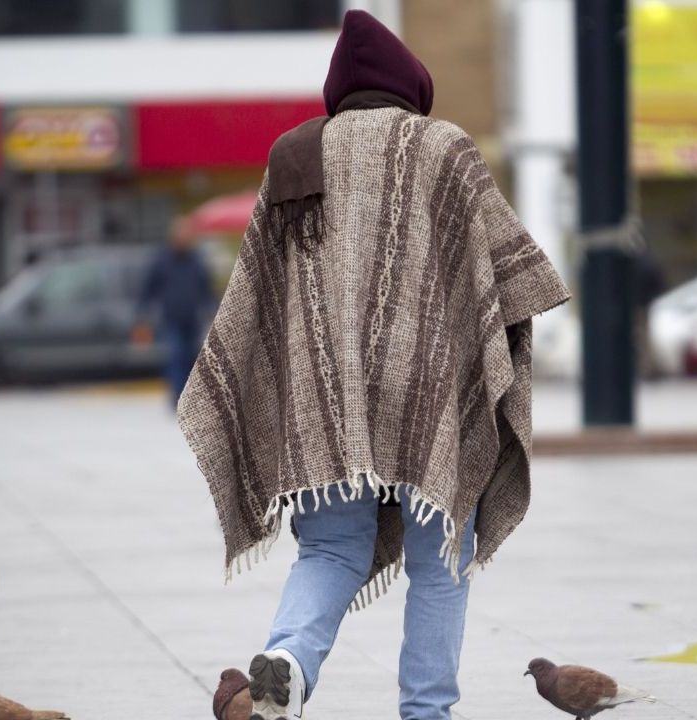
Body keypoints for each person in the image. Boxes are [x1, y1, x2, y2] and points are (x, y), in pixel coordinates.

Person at [176, 11, 570, 720]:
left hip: (322, 407)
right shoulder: (445, 148)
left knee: (329, 551)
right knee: (441, 559)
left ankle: (287, 672)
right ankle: (426, 711)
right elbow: (513, 275)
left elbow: (255, 302)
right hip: (433, 396)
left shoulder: (295, 155)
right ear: (411, 85)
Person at [138, 217, 216, 405]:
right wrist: (143, 314)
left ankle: (189, 398)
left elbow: (206, 289)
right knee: (176, 356)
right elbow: (148, 289)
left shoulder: (197, 260)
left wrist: (212, 310)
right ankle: (177, 397)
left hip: (192, 318)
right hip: (171, 318)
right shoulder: (162, 260)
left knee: (191, 358)